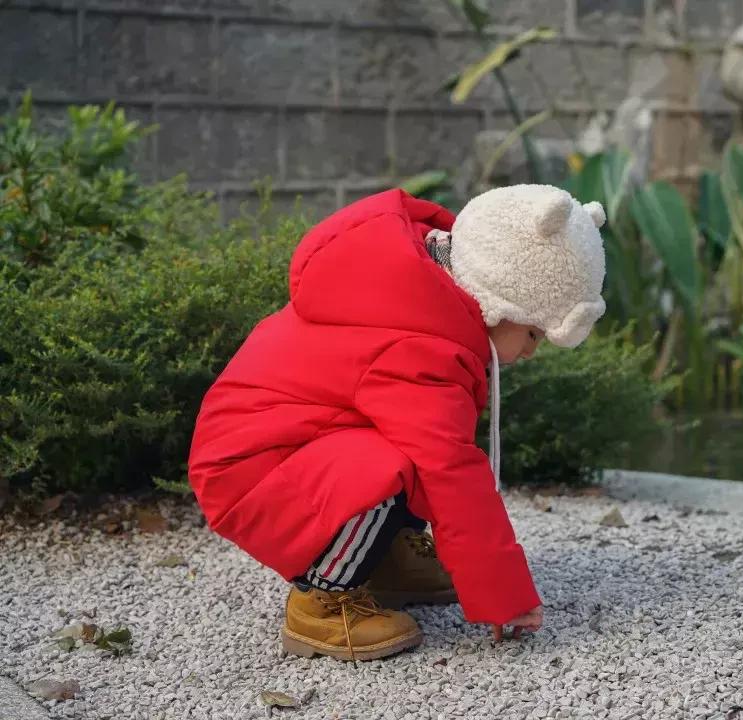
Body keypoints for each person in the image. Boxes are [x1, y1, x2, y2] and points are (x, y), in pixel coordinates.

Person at [187, 184, 607, 661]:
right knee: (405, 458)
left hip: (284, 445)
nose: (532, 351)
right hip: (251, 469)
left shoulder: (422, 293)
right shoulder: (417, 344)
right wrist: (503, 594)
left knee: (405, 442)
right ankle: (323, 602)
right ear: (497, 301)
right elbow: (451, 469)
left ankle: (388, 558)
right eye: (533, 332)